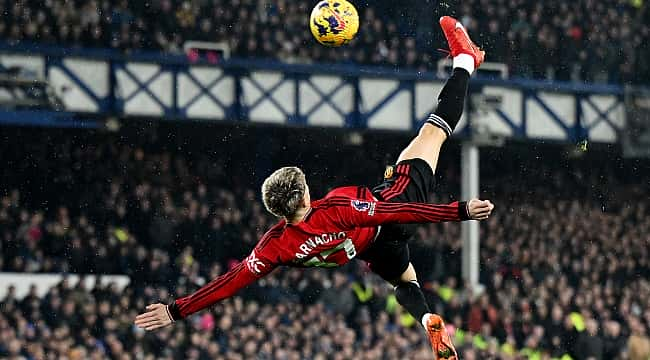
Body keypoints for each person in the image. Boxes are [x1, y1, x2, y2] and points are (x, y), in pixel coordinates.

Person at [135, 16, 489, 359]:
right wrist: (459, 211)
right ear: (304, 194)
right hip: (390, 213)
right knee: (434, 132)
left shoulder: (275, 246)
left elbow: (230, 282)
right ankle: (465, 61)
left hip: (372, 251)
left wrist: (177, 310)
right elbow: (396, 211)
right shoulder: (336, 208)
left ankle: (427, 318)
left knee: (404, 281)